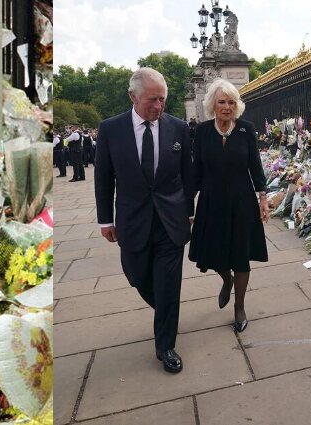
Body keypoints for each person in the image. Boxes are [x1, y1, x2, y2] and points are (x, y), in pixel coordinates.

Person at [95, 67, 194, 374]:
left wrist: (189, 211)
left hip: (171, 220)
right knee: (137, 275)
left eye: (162, 99)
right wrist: (104, 220)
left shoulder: (178, 128)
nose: (158, 106)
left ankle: (165, 345)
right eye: (152, 100)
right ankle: (165, 310)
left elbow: (188, 175)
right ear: (132, 96)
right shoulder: (111, 129)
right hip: (132, 220)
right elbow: (103, 177)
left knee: (168, 284)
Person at [188, 78, 269, 333]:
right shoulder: (201, 131)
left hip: (242, 201)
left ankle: (239, 306)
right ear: (213, 104)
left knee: (241, 255)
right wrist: (188, 205)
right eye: (222, 102)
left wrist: (263, 198)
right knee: (214, 253)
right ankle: (226, 280)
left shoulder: (246, 129)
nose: (226, 107)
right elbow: (196, 170)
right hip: (212, 201)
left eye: (231, 102)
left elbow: (255, 166)